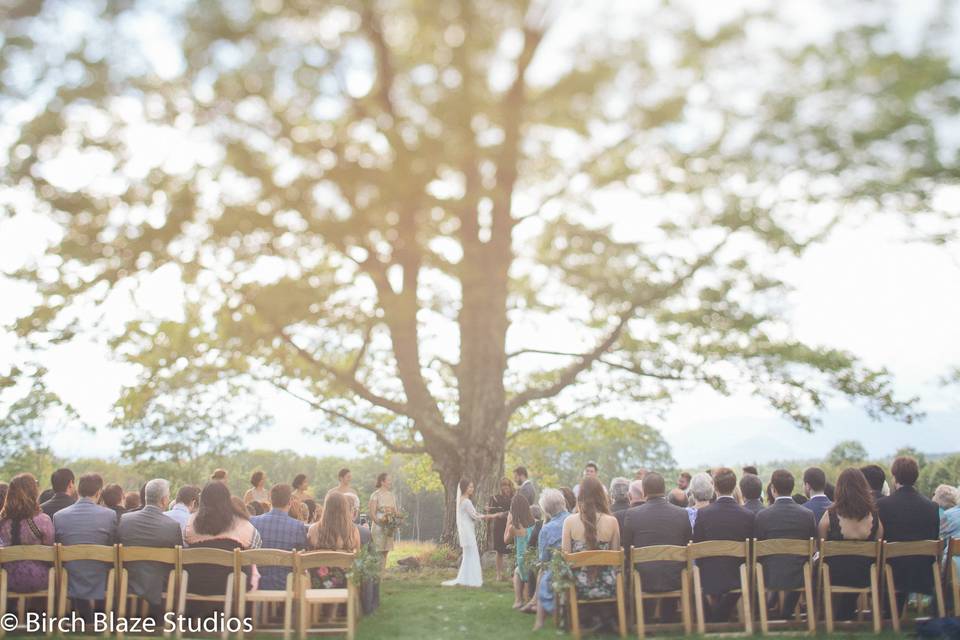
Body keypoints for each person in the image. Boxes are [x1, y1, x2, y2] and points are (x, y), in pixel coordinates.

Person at [622, 472, 692, 622]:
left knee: (638, 568)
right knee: (670, 566)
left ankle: (643, 619)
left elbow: (626, 549)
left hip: (643, 579)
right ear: (665, 489)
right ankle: (668, 618)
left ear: (645, 492)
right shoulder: (681, 514)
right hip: (676, 578)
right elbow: (687, 545)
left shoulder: (632, 514)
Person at [818, 468, 883, 620]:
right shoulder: (874, 516)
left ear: (840, 489)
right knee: (855, 566)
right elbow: (879, 543)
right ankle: (845, 612)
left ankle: (827, 614)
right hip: (865, 576)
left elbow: (821, 546)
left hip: (834, 576)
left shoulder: (830, 516)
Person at [692, 467, 755, 622]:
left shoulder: (703, 514)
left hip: (709, 575)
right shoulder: (747, 515)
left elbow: (697, 548)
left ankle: (714, 618)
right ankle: (719, 616)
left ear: (714, 486)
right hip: (738, 575)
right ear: (734, 487)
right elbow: (752, 549)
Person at [877, 456, 940, 611]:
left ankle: (887, 611)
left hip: (892, 572)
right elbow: (934, 537)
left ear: (894, 476)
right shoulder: (932, 506)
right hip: (924, 571)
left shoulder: (882, 505)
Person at [53, 473, 118, 621]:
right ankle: (100, 618)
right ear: (98, 492)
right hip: (100, 574)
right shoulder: (110, 515)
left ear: (78, 490)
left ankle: (85, 617)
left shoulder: (59, 516)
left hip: (70, 574)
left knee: (77, 567)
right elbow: (112, 544)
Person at [754, 469, 817, 620]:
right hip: (800, 575)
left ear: (773, 489)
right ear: (792, 488)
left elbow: (758, 549)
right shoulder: (807, 515)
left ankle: (763, 612)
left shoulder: (762, 516)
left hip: (770, 575)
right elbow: (813, 547)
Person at [117, 479, 183, 620]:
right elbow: (178, 560)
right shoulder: (172, 526)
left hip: (129, 579)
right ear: (165, 500)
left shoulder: (125, 520)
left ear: (146, 497)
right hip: (159, 584)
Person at [184, 482, 261, 603]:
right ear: (227, 499)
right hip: (232, 586)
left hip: (195, 583)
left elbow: (185, 541)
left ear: (202, 500)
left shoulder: (191, 522)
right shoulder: (242, 523)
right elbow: (255, 548)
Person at [562, 476, 621, 631]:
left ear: (580, 495)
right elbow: (616, 560)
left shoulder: (569, 522)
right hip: (608, 586)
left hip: (579, 587)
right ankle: (606, 618)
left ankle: (582, 619)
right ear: (601, 495)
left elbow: (565, 557)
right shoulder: (612, 521)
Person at [0, 473, 55, 593]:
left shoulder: (2, 521)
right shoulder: (43, 520)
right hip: (38, 578)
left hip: (6, 579)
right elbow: (50, 552)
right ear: (33, 493)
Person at [250, 484, 308, 591]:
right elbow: (302, 559)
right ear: (290, 501)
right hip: (286, 585)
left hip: (258, 583)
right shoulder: (298, 526)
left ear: (270, 499)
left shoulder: (253, 522)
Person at [442, 479, 498, 587]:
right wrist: (490, 516)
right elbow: (475, 516)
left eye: (472, 487)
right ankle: (472, 579)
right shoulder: (467, 501)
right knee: (471, 554)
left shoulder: (461, 500)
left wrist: (483, 513)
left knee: (468, 555)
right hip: (467, 531)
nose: (472, 489)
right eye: (470, 487)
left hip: (466, 530)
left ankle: (466, 578)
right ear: (464, 488)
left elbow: (473, 514)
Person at [534, 489, 571, 631]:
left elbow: (543, 559)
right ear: (563, 502)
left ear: (547, 511)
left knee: (543, 574)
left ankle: (539, 623)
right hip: (579, 566)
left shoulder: (547, 529)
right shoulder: (575, 519)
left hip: (560, 572)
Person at [307, 492, 360, 589]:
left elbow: (308, 553)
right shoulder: (353, 530)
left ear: (326, 508)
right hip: (345, 583)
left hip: (318, 583)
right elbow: (357, 556)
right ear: (344, 508)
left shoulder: (313, 529)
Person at [504, 493, 535, 608]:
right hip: (532, 559)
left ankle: (518, 600)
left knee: (517, 571)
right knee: (520, 571)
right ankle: (526, 599)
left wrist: (508, 520)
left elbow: (505, 540)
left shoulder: (515, 527)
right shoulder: (534, 524)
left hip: (522, 560)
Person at [368, 472, 399, 570]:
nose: (390, 482)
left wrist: (396, 521)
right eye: (388, 480)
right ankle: (374, 573)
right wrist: (380, 524)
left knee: (386, 551)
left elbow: (395, 511)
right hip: (378, 526)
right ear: (382, 482)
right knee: (377, 551)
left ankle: (382, 573)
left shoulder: (391, 495)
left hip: (389, 526)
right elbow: (372, 513)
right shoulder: (375, 495)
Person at [487, 477, 514, 581]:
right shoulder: (495, 498)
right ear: (500, 487)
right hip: (499, 526)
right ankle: (499, 574)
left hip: (511, 525)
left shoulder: (514, 497)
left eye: (507, 485)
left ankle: (512, 574)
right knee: (499, 551)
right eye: (503, 485)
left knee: (512, 550)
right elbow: (490, 513)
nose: (505, 487)